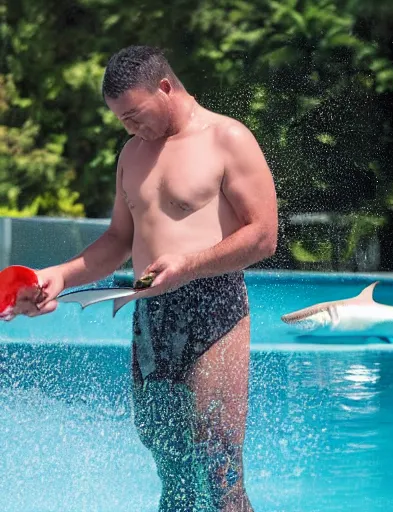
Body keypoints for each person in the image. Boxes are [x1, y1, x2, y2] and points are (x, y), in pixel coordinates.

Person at [14, 45, 278, 512]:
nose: (130, 127)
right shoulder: (132, 155)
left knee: (219, 469)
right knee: (171, 470)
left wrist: (189, 264)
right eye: (122, 120)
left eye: (134, 114)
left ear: (165, 87)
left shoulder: (227, 139)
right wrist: (57, 276)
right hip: (151, 313)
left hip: (212, 306)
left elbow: (264, 237)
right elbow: (117, 240)